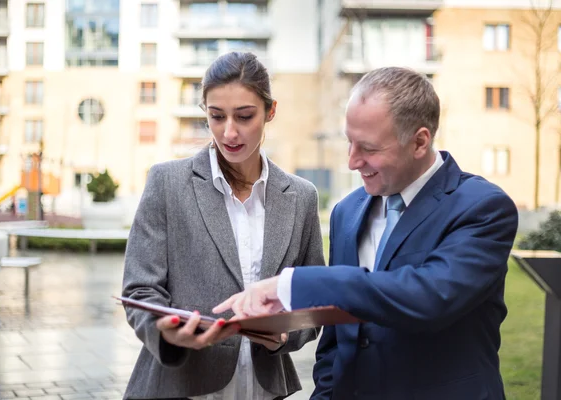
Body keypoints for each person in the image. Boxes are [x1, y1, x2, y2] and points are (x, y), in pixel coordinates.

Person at [214, 66, 519, 400]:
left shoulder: (483, 208)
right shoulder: (347, 212)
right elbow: (337, 343)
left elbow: (429, 297)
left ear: (419, 142)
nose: (352, 161)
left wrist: (295, 284)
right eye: (349, 142)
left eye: (369, 148)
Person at [121, 51, 325, 400]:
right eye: (216, 117)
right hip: (179, 386)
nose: (229, 132)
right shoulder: (167, 183)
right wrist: (168, 334)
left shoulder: (301, 197)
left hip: (263, 389)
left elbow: (312, 302)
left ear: (270, 111)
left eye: (244, 116)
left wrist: (283, 337)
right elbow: (139, 292)